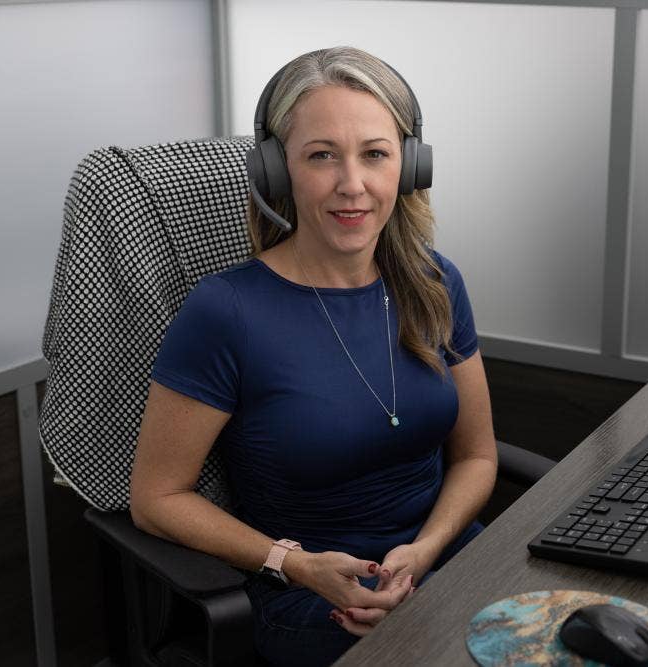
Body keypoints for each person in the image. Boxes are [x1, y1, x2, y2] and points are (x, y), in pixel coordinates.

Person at [129, 46, 498, 665]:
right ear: (276, 170)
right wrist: (294, 564)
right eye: (321, 155)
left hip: (447, 560)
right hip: (314, 595)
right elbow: (157, 498)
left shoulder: (435, 283)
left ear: (408, 167)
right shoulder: (226, 311)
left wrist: (429, 548)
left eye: (374, 154)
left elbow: (478, 454)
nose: (351, 185)